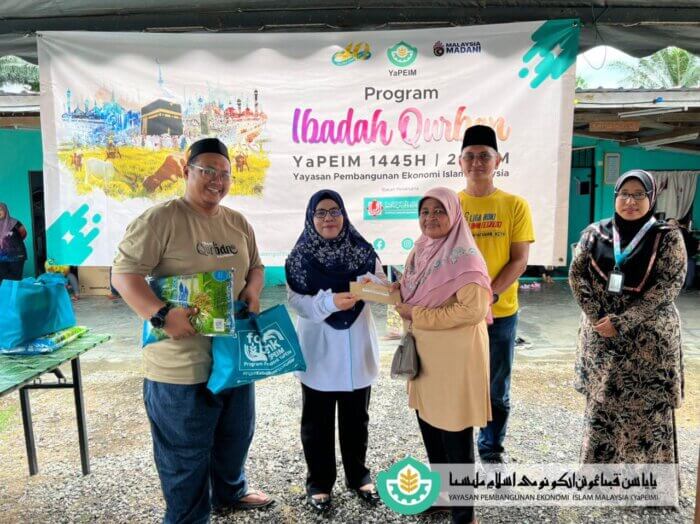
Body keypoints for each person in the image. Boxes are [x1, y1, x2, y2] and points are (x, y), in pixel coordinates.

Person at [111, 138, 272, 524]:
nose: (217, 180)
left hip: (234, 359)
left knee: (235, 437)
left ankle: (229, 492)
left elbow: (256, 267)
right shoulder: (159, 220)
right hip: (180, 366)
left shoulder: (237, 222)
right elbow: (124, 275)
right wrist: (162, 315)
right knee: (185, 456)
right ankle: (187, 517)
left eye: (225, 173)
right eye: (208, 171)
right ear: (186, 171)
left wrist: (252, 290)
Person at [569, 169, 686, 465]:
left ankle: (648, 483)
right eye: (624, 194)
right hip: (602, 341)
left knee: (648, 417)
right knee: (602, 412)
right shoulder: (594, 233)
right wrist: (599, 318)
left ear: (651, 198)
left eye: (638, 195)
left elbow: (668, 286)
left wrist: (621, 322)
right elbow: (577, 276)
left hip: (647, 346)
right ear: (615, 196)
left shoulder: (667, 237)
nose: (630, 201)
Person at [395, 187, 492, 524]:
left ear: (454, 215)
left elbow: (473, 310)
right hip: (425, 354)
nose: (430, 218)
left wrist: (417, 314)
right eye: (425, 212)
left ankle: (465, 515)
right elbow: (411, 290)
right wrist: (391, 291)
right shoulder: (420, 249)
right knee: (430, 424)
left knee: (454, 431)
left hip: (454, 357)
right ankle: (444, 496)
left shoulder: (465, 258)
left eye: (439, 211)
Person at [285, 189, 382, 512]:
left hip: (357, 347)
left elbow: (381, 286)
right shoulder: (299, 257)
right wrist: (329, 302)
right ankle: (319, 482)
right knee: (317, 423)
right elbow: (296, 301)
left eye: (335, 211)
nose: (329, 218)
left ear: (344, 215)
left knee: (357, 419)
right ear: (311, 218)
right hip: (319, 350)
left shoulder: (363, 251)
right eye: (321, 212)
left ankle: (358, 476)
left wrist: (379, 288)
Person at [457, 125, 534, 463]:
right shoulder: (451, 205)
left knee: (496, 388)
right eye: (470, 156)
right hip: (458, 314)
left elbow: (519, 260)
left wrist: (489, 294)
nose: (477, 162)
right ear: (460, 162)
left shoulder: (515, 205)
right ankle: (457, 449)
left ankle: (490, 447)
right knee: (458, 385)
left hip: (500, 314)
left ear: (498, 161)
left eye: (484, 156)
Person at [0, 203, 28, 282]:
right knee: (3, 280)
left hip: (17, 256)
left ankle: (15, 290)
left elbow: (24, 234)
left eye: (0, 210)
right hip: (1, 257)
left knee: (15, 279)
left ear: (5, 210)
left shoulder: (15, 223)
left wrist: (13, 243)